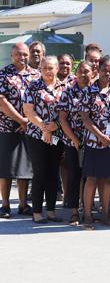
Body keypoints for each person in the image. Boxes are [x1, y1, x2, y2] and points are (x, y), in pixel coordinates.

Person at [80, 56, 110, 229]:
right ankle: (87, 215)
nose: (107, 73)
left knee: (107, 180)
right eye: (104, 70)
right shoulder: (88, 91)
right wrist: (100, 136)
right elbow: (85, 118)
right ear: (97, 70)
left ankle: (106, 214)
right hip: (94, 143)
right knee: (92, 179)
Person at [22, 56, 66, 223]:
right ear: (40, 69)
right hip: (36, 135)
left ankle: (51, 211)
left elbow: (67, 111)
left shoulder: (64, 87)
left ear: (57, 69)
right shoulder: (32, 86)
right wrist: (44, 128)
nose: (48, 71)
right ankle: (37, 212)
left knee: (53, 174)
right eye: (44, 68)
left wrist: (55, 125)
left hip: (57, 136)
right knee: (40, 173)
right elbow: (28, 111)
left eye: (51, 68)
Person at [0, 42, 41, 218]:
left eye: (25, 54)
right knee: (6, 169)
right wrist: (21, 120)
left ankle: (23, 205)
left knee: (25, 169)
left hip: (30, 129)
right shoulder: (3, 74)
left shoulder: (36, 74)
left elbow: (41, 99)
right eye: (18, 54)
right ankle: (5, 205)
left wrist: (30, 122)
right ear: (12, 56)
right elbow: (1, 101)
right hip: (8, 127)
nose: (22, 57)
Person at [57, 61, 93, 226]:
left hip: (93, 141)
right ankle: (74, 211)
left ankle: (87, 209)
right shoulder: (68, 92)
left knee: (90, 176)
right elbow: (63, 119)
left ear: (92, 73)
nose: (83, 75)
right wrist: (75, 140)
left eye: (87, 71)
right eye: (80, 72)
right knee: (74, 176)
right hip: (72, 141)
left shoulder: (96, 91)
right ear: (75, 73)